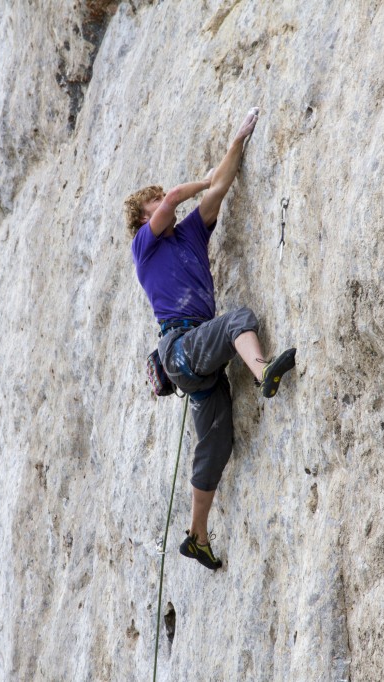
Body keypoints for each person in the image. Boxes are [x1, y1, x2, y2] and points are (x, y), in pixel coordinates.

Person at [125, 107, 296, 570]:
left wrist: (237, 141)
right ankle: (263, 373)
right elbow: (183, 192)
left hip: (197, 361)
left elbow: (219, 187)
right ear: (143, 220)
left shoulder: (191, 234)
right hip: (180, 348)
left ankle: (197, 536)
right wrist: (186, 189)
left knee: (216, 445)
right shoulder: (144, 247)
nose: (166, 206)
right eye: (154, 205)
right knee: (238, 317)